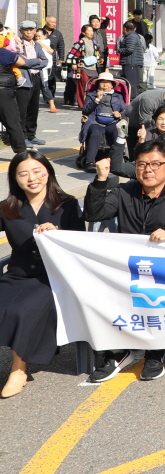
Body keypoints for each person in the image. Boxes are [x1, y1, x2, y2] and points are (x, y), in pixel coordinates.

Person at [84, 141, 165, 383]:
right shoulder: (124, 192)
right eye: (142, 164)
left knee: (153, 290)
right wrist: (101, 179)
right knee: (98, 287)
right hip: (125, 268)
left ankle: (155, 352)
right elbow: (94, 214)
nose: (148, 170)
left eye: (155, 164)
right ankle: (116, 351)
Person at [0, 153, 84, 397]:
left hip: (54, 276)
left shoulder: (67, 204)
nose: (32, 178)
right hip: (18, 274)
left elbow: (80, 243)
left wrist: (58, 234)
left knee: (21, 309)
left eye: (37, 171)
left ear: (48, 172)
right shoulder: (7, 208)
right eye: (23, 174)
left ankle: (18, 368)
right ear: (15, 178)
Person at [14, 21, 49, 148]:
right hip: (23, 80)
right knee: (23, 109)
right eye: (26, 30)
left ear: (35, 31)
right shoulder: (17, 44)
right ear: (21, 31)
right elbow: (21, 62)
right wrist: (35, 61)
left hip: (36, 78)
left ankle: (31, 135)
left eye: (31, 29)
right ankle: (22, 137)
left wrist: (30, 62)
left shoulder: (37, 44)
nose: (29, 32)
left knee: (34, 109)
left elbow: (45, 61)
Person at [79, 72, 125, 167]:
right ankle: (90, 161)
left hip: (113, 121)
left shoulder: (118, 96)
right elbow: (85, 111)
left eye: (108, 82)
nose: (105, 85)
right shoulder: (91, 95)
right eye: (102, 82)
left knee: (118, 133)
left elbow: (126, 110)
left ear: (112, 85)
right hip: (96, 121)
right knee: (96, 133)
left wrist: (120, 114)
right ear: (98, 84)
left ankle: (117, 160)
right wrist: (97, 100)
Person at [0, 34, 28, 155]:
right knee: (12, 122)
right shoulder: (4, 53)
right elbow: (21, 62)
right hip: (4, 91)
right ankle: (21, 152)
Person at [41, 17, 65, 113]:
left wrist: (61, 58)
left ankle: (50, 97)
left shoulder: (57, 33)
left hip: (52, 60)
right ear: (46, 22)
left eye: (55, 22)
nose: (54, 24)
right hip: (41, 60)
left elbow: (61, 46)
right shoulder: (40, 32)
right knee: (42, 80)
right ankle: (46, 96)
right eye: (52, 22)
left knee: (51, 79)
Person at [117, 21, 145, 98]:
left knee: (131, 84)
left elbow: (129, 49)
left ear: (125, 29)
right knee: (133, 83)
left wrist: (119, 50)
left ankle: (132, 99)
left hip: (131, 63)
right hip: (132, 62)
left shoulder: (131, 37)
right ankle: (132, 98)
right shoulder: (134, 36)